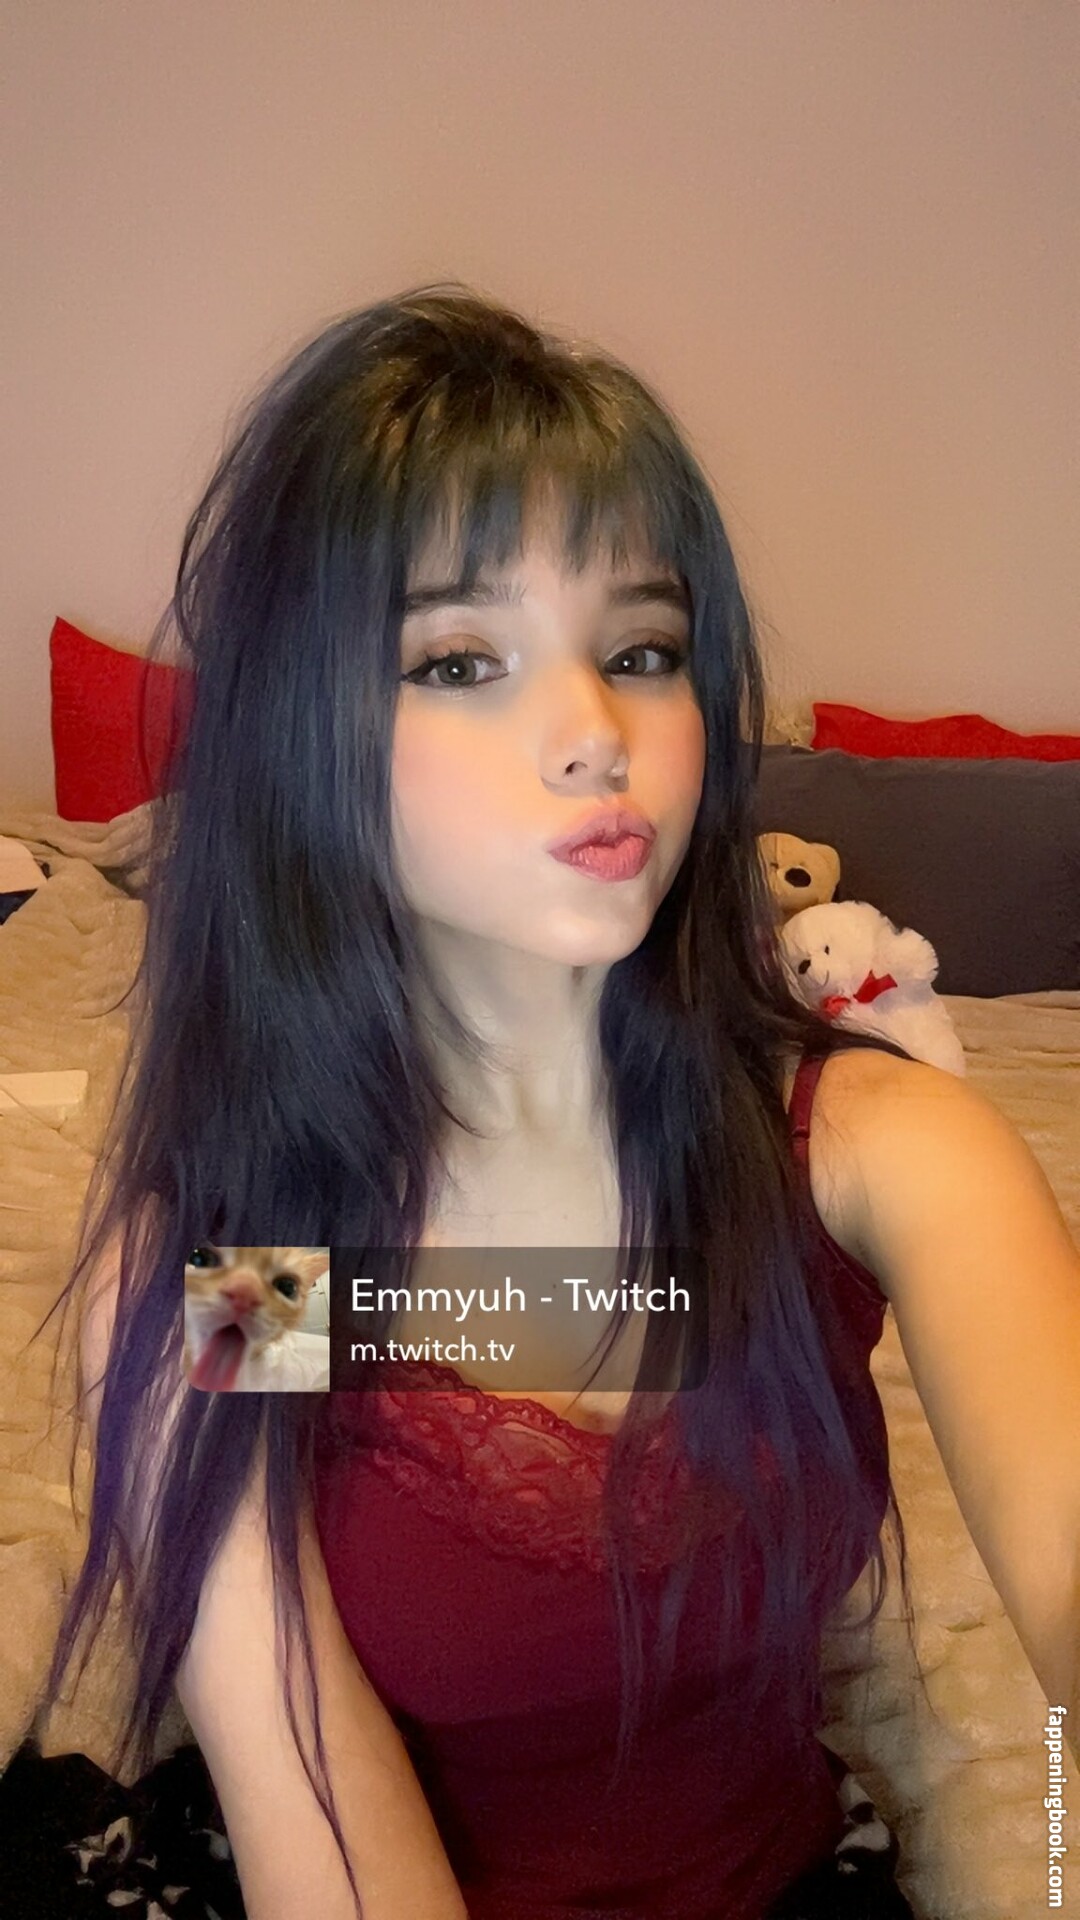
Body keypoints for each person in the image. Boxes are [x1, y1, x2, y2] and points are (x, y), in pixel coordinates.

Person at [12, 283, 1079, 1920]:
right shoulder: (253, 1275)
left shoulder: (874, 1153)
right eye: (459, 659)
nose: (595, 733)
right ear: (304, 743)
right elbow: (308, 1794)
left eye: (642, 651)